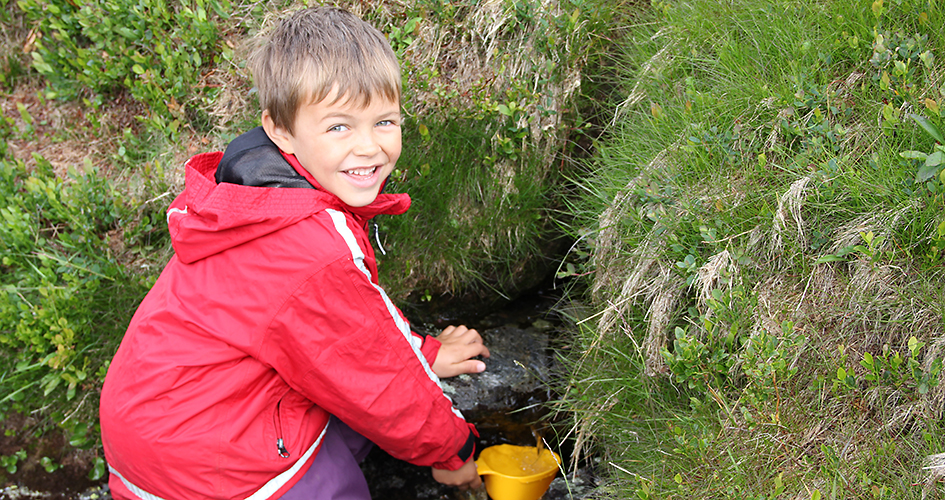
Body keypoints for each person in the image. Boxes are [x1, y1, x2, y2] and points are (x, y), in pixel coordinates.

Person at [99, 6, 491, 499]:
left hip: (149, 433)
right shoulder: (311, 246)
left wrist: (424, 354)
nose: (369, 147)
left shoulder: (252, 193)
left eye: (385, 121)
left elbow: (344, 326)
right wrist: (451, 454)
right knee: (340, 486)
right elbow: (372, 374)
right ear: (281, 130)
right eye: (339, 127)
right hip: (213, 468)